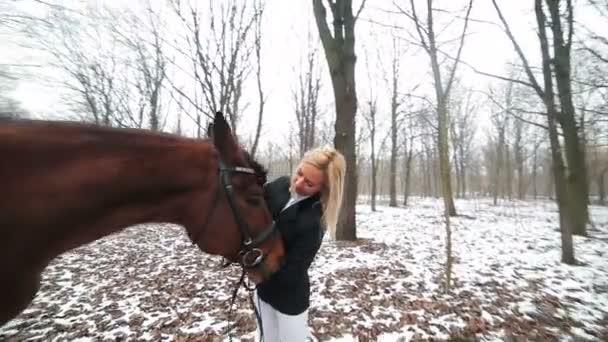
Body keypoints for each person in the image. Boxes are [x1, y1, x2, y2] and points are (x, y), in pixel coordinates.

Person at [253, 145, 346, 342]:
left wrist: (258, 271)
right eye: (300, 173)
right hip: (262, 291)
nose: (299, 182)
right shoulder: (279, 186)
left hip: (289, 299)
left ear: (323, 189)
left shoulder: (314, 221)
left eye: (309, 183)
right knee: (264, 338)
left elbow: (293, 270)